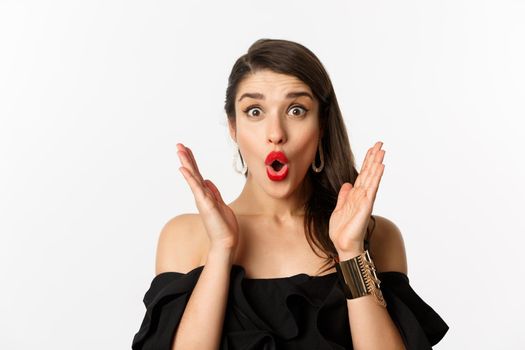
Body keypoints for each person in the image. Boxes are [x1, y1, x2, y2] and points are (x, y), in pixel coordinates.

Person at [131, 38, 449, 350]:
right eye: (255, 111)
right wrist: (221, 249)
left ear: (322, 124)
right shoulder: (185, 235)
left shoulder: (376, 236)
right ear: (233, 126)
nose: (276, 134)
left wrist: (350, 252)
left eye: (296, 110)